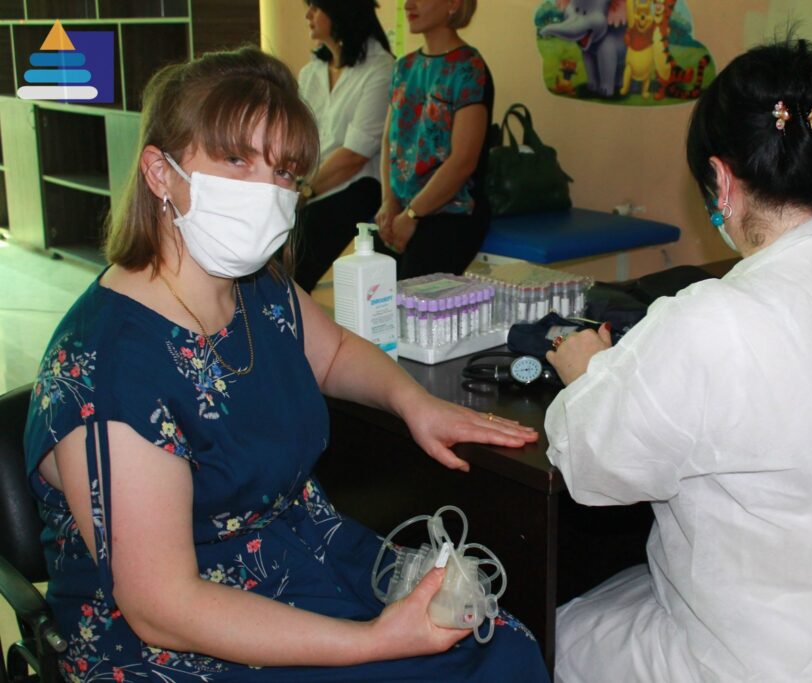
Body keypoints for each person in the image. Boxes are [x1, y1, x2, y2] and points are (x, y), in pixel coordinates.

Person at [22, 47, 549, 682]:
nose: (268, 193)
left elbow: (334, 354)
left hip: (293, 549)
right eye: (237, 160)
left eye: (285, 172)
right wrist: (377, 641)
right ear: (160, 173)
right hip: (177, 632)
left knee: (504, 649)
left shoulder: (255, 286)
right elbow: (164, 607)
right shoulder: (111, 368)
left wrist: (416, 403)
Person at [543, 38, 812, 682]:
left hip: (777, 660)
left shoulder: (713, 318)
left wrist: (588, 373)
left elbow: (597, 470)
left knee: (557, 632)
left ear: (722, 180)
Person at [375, 0, 494, 280]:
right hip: (401, 210)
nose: (408, 4)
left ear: (453, 4)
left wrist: (412, 215)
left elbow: (463, 161)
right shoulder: (404, 67)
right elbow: (389, 142)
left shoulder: (469, 68)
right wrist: (388, 201)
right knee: (372, 295)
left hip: (450, 212)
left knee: (409, 297)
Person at [292, 0, 394, 292]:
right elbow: (297, 139)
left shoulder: (381, 69)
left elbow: (354, 156)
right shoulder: (311, 72)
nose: (308, 15)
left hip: (356, 185)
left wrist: (305, 191)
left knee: (295, 254)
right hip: (309, 184)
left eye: (315, 7)